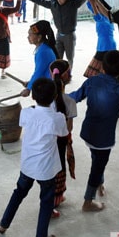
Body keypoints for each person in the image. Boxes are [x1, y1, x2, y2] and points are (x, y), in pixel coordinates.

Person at [69, 50, 119, 211]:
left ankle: (99, 184)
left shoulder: (92, 82)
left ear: (102, 67)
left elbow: (74, 97)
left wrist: (53, 96)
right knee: (97, 167)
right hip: (103, 139)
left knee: (96, 159)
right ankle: (88, 201)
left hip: (88, 133)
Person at [0, 78, 68, 237]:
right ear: (56, 96)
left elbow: (29, 122)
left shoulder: (26, 113)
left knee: (18, 193)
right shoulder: (57, 118)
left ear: (33, 97)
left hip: (28, 165)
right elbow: (64, 133)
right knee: (46, 201)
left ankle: (3, 224)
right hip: (46, 169)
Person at [25, 0, 88, 68]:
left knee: (70, 57)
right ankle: (58, 74)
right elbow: (40, 1)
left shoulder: (73, 4)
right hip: (59, 35)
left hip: (69, 35)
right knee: (57, 57)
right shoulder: (53, 3)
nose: (59, 0)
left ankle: (67, 74)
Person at [48, 59, 77, 219]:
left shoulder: (46, 96)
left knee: (50, 170)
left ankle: (53, 199)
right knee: (58, 169)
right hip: (61, 140)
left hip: (46, 139)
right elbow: (69, 128)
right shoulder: (69, 101)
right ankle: (52, 203)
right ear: (67, 77)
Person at [83, 0, 117, 78]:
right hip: (104, 44)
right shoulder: (105, 17)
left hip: (107, 45)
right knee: (102, 70)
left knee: (101, 70)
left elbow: (96, 15)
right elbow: (90, 3)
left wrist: (95, 3)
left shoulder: (105, 19)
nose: (94, 9)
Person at [20, 20, 59, 98]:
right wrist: (31, 82)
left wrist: (29, 88)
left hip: (49, 87)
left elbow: (39, 72)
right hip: (47, 82)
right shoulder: (43, 48)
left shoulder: (43, 51)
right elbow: (41, 71)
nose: (28, 37)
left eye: (30, 35)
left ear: (39, 37)